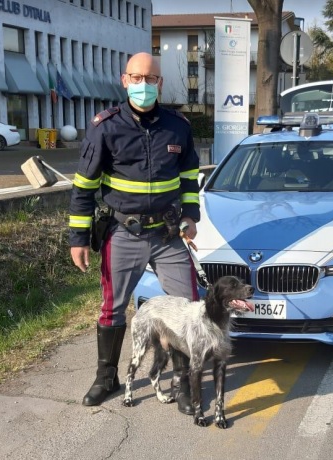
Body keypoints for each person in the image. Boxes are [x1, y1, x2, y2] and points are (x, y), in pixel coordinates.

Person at [68, 52, 200, 412]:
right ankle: (106, 378)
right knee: (112, 308)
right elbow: (84, 186)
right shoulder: (105, 126)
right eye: (137, 77)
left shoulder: (178, 127)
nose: (144, 84)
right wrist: (78, 239)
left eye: (151, 78)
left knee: (186, 309)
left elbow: (189, 179)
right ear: (125, 80)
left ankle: (184, 383)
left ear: (160, 83)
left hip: (168, 235)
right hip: (123, 233)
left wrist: (191, 216)